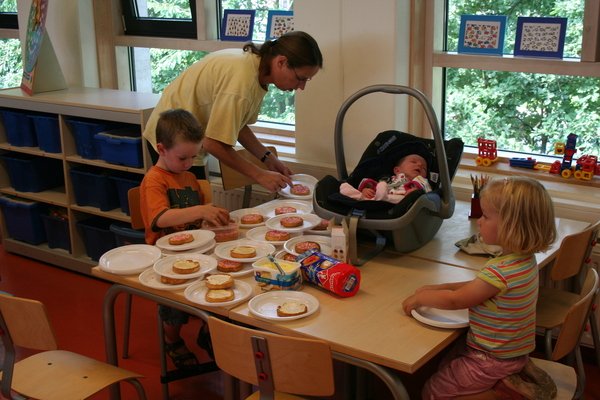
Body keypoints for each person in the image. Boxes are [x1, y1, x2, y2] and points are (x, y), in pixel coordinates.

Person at [402, 176, 557, 399]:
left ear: (511, 225)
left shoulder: (500, 270)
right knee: (445, 361)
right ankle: (506, 380)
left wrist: (422, 299)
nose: (480, 222)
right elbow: (479, 287)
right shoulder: (522, 260)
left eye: (486, 216)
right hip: (510, 353)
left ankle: (498, 393)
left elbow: (458, 301)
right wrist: (443, 286)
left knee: (432, 392)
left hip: (490, 359)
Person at [142, 31, 324, 191]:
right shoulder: (242, 82)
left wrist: (267, 158)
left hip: (188, 141)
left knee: (195, 211)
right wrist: (259, 175)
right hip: (172, 140)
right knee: (186, 219)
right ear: (281, 62)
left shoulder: (256, 71)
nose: (301, 87)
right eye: (300, 78)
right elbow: (213, 143)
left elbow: (238, 125)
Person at [140, 108, 230, 369]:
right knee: (174, 305)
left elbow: (199, 221)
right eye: (183, 157)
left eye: (194, 156)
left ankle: (207, 329)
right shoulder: (155, 180)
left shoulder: (190, 177)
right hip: (165, 258)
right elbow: (159, 218)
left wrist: (212, 220)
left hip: (196, 252)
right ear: (161, 149)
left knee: (218, 281)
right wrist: (201, 210)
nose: (189, 163)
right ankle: (173, 340)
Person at [339, 153, 431, 203]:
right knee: (380, 186)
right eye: (413, 162)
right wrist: (366, 190)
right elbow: (378, 186)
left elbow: (428, 192)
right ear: (397, 170)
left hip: (400, 201)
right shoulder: (390, 179)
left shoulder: (420, 181)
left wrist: (416, 192)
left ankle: (382, 198)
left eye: (424, 168)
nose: (419, 165)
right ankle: (356, 195)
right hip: (377, 196)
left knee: (383, 188)